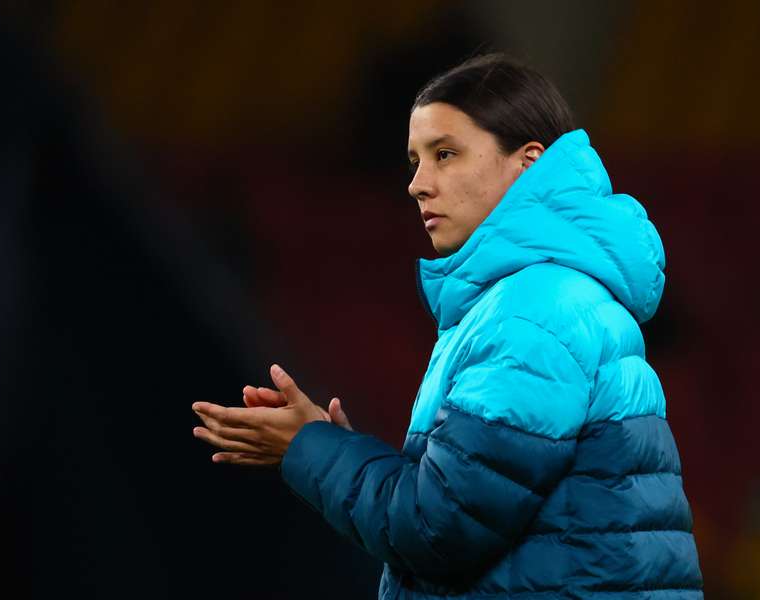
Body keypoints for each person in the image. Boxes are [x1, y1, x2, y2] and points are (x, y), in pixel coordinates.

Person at [193, 53, 704, 599]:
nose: (417, 183)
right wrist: (332, 446)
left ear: (528, 162)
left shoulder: (534, 310)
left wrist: (310, 447)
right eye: (415, 161)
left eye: (445, 154)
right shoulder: (546, 297)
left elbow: (440, 527)